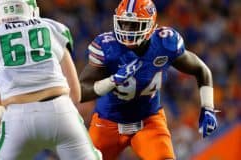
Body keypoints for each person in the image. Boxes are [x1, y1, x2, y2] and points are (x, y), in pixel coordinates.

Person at [79, 0, 219, 159]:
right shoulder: (107, 46)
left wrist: (208, 107)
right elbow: (81, 91)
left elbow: (201, 70)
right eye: (123, 23)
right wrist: (112, 81)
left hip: (149, 122)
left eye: (133, 25)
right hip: (107, 124)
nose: (126, 30)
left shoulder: (165, 44)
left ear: (150, 25)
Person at [0, 0, 101, 159]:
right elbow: (75, 95)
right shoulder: (52, 28)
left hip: (18, 117)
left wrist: (0, 113)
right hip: (61, 111)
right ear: (31, 10)